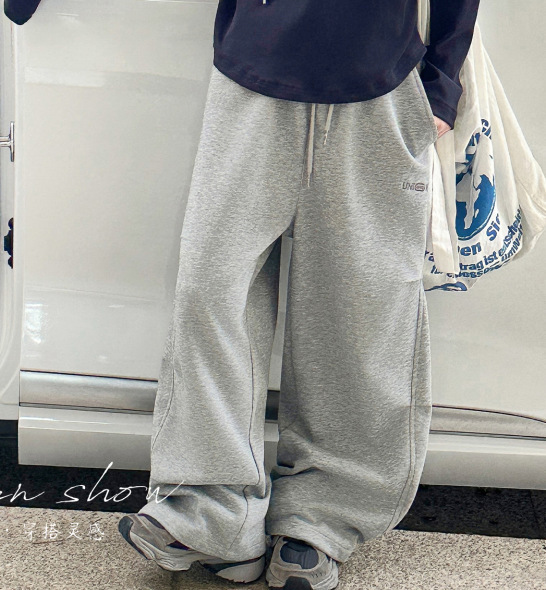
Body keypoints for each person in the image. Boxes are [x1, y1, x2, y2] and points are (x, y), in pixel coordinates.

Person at [118, 1, 480, 588]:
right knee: (211, 291)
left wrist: (441, 85)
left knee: (359, 314)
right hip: (250, 74)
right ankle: (214, 515)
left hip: (379, 88)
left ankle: (321, 520)